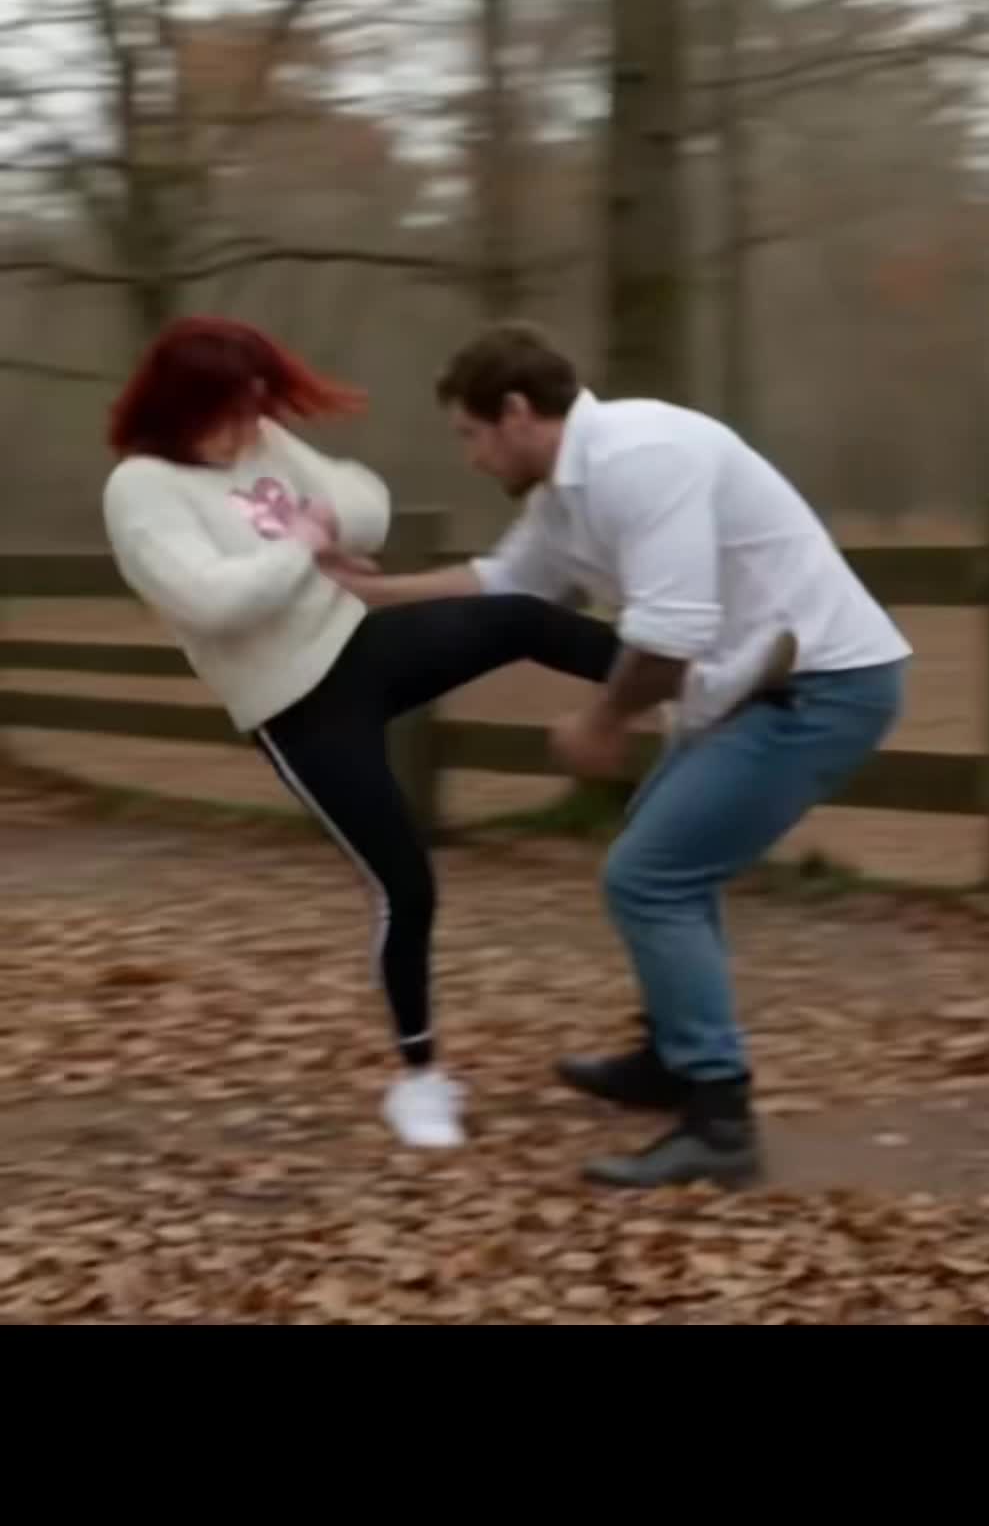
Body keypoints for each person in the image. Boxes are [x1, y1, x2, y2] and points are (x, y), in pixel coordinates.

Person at [321, 325, 913, 1189]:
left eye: (471, 435)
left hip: (822, 685)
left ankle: (719, 1122)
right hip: (753, 687)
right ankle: (673, 1057)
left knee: (651, 877)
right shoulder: (567, 493)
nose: (472, 458)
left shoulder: (640, 457)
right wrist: (374, 592)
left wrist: (603, 721)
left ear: (516, 412)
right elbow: (505, 579)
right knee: (661, 858)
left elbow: (670, 634)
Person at [101, 316, 622, 1151]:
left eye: (256, 406)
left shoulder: (264, 439)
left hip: (359, 641)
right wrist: (303, 542)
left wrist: (320, 525)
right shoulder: (141, 491)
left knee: (521, 616)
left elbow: (367, 504)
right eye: (229, 411)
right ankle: (419, 1080)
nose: (248, 428)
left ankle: (698, 681)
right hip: (296, 704)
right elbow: (212, 603)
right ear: (179, 405)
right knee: (405, 886)